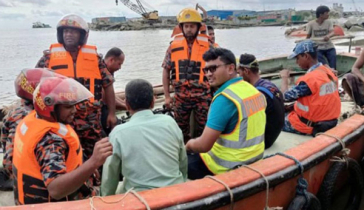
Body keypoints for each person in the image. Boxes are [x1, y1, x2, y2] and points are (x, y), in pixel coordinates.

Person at [13, 77, 113, 205]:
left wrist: (84, 168)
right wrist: (93, 162)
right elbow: (55, 190)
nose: (74, 110)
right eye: (68, 107)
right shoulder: (50, 141)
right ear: (49, 107)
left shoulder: (34, 120)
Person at [35, 14, 116, 160]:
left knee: (97, 157)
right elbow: (34, 87)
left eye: (73, 31)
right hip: (62, 121)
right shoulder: (48, 59)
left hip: (91, 121)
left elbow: (108, 85)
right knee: (67, 156)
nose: (68, 34)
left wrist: (111, 113)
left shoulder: (96, 59)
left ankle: (96, 180)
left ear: (82, 35)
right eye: (65, 31)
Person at [186, 48, 266, 179]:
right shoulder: (252, 90)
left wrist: (188, 145)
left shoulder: (224, 99)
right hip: (255, 158)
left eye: (213, 69)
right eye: (206, 70)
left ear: (230, 68)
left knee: (182, 162)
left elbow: (204, 145)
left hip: (226, 167)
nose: (208, 74)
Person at [101, 79, 187, 195]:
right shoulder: (170, 122)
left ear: (126, 104)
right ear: (153, 102)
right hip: (176, 190)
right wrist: (183, 182)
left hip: (140, 198)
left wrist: (105, 198)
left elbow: (110, 175)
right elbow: (182, 160)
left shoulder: (117, 134)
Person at [0, 68, 64, 191]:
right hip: (25, 172)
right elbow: (12, 153)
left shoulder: (18, 109)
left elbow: (5, 142)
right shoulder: (26, 116)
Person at [162, 8, 212, 142]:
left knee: (206, 128)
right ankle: (185, 154)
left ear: (198, 27)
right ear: (181, 27)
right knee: (180, 130)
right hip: (180, 97)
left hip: (203, 96)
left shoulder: (209, 46)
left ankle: (203, 155)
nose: (189, 29)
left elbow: (218, 69)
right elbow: (166, 70)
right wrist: (167, 96)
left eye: (192, 26)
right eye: (186, 26)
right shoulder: (173, 46)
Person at [281, 40, 340, 136]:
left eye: (298, 58)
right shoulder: (328, 72)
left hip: (312, 125)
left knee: (274, 119)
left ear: (306, 56)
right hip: (331, 120)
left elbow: (284, 97)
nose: (297, 62)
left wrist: (284, 78)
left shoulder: (309, 80)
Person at [237, 54, 284, 149]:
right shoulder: (269, 85)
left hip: (264, 141)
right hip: (274, 135)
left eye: (239, 73)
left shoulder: (256, 94)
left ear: (246, 71)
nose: (239, 76)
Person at [101, 47, 126, 135]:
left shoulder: (110, 70)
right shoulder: (102, 71)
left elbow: (111, 94)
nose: (120, 68)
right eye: (119, 64)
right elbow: (106, 97)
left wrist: (124, 103)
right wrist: (128, 107)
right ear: (111, 60)